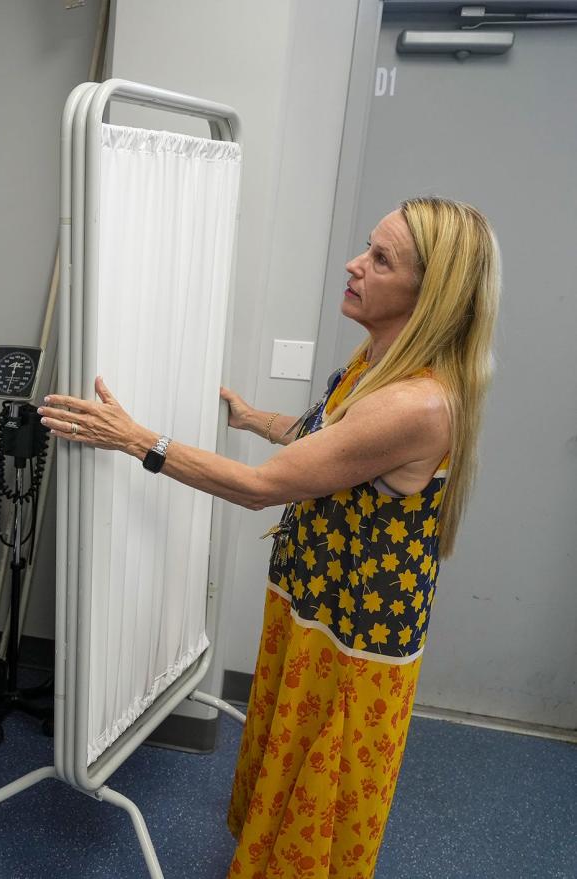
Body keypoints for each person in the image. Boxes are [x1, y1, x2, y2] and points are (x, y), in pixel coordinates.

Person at [38, 196, 500, 878]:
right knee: (287, 780)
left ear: (428, 293)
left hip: (352, 648)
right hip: (316, 613)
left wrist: (134, 438)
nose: (354, 264)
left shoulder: (416, 403)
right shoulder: (379, 363)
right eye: (365, 247)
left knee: (318, 803)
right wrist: (255, 418)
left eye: (379, 259)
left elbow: (262, 488)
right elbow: (331, 441)